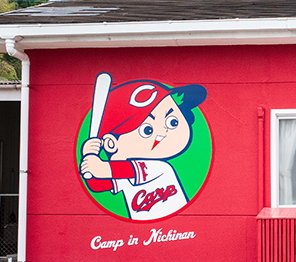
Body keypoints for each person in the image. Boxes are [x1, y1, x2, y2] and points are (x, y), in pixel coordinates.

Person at [79, 77, 207, 221]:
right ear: (111, 143)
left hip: (177, 225)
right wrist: (88, 157)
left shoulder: (159, 168)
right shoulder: (125, 176)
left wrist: (95, 165)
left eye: (172, 121)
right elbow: (98, 185)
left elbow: (109, 170)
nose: (162, 133)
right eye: (147, 130)